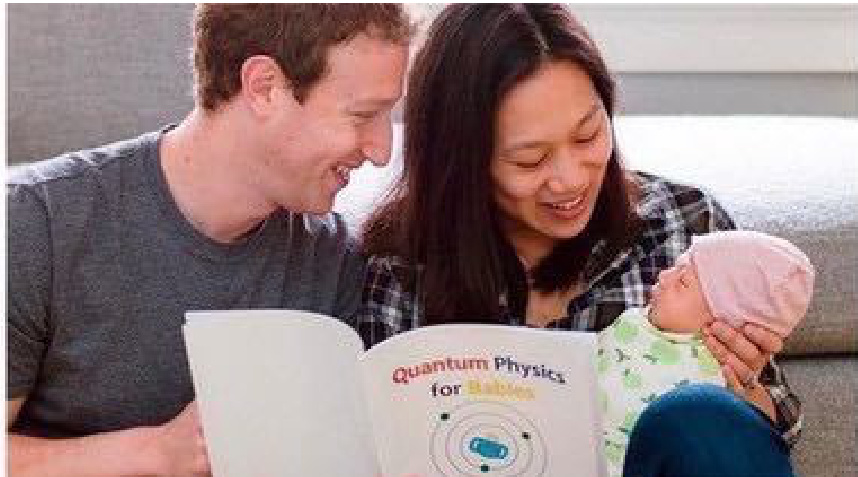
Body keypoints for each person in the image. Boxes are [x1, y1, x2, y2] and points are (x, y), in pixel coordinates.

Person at [356, 4, 802, 476]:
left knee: (699, 416)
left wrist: (743, 394)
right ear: (462, 163)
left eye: (587, 136)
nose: (570, 180)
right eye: (530, 160)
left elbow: (775, 422)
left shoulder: (685, 226)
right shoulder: (403, 271)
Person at [6, 4, 410, 476]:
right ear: (264, 87)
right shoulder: (35, 221)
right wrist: (156, 453)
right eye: (363, 115)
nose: (382, 152)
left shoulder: (335, 259)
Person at [598, 230, 814, 476]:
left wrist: (754, 403)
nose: (663, 276)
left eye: (682, 281)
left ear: (724, 322)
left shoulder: (722, 372)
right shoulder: (631, 323)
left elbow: (777, 429)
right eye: (673, 268)